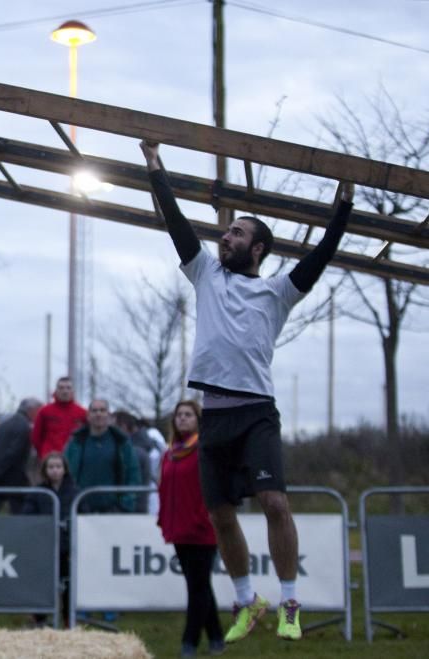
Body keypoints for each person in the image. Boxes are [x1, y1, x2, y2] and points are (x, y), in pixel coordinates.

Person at [140, 140, 354, 642]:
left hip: (256, 411)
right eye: (226, 230)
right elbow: (176, 224)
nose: (225, 236)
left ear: (257, 248)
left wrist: (342, 206)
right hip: (214, 414)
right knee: (220, 513)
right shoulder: (205, 274)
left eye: (235, 232)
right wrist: (155, 166)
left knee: (275, 504)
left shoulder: (278, 291)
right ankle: (245, 598)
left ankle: (290, 601)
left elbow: (322, 254)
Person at [158, 401, 225, 657]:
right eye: (179, 415)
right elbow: (165, 489)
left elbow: (212, 489)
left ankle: (189, 642)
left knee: (196, 587)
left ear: (198, 420)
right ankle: (217, 637)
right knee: (199, 584)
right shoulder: (171, 453)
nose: (182, 419)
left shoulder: (205, 450)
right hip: (178, 528)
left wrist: (204, 518)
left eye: (188, 415)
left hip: (202, 529)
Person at [21, 451, 77, 628]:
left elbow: (82, 512)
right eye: (51, 467)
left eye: (58, 466)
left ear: (64, 469)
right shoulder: (38, 492)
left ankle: (68, 619)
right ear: (45, 470)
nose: (55, 470)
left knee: (68, 583)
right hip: (44, 546)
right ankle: (40, 619)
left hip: (67, 546)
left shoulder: (74, 491)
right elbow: (28, 514)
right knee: (42, 582)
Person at [65, 399, 142, 514]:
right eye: (94, 410)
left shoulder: (121, 442)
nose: (98, 414)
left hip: (114, 511)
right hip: (80, 510)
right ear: (88, 416)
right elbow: (65, 474)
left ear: (109, 416)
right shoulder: (76, 442)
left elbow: (133, 475)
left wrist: (124, 505)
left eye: (102, 410)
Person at [0, 397, 43, 514]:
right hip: (13, 479)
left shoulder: (3, 424)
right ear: (31, 410)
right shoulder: (24, 427)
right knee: (20, 514)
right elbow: (14, 453)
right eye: (39, 410)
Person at [31, 377, 87, 459]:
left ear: (73, 391)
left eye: (68, 388)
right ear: (56, 391)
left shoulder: (82, 413)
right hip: (50, 460)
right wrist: (44, 455)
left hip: (74, 459)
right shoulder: (45, 411)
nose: (65, 391)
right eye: (61, 388)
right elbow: (36, 437)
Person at [114, 410, 152, 514]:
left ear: (123, 427)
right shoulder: (140, 448)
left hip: (131, 513)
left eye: (112, 427)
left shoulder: (135, 453)